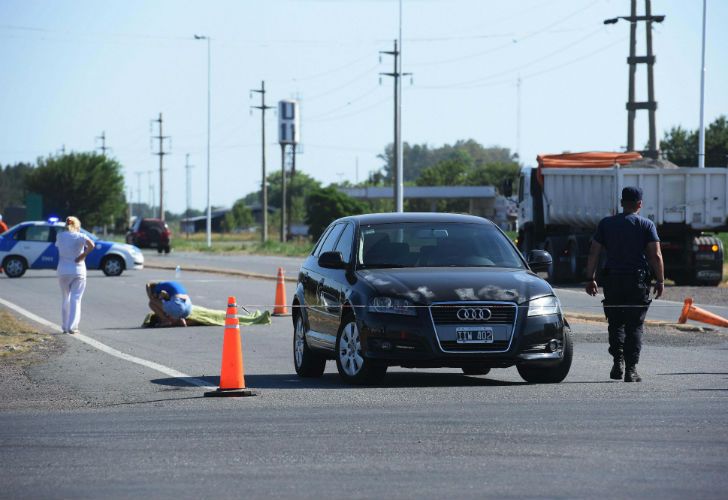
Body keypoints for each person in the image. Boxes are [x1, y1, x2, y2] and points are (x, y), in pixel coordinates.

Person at [585, 186, 665, 383]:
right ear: (640, 204)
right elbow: (655, 255)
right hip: (636, 282)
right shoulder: (646, 225)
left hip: (612, 280)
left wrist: (590, 278)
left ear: (621, 203)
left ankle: (617, 361)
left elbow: (594, 252)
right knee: (634, 325)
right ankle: (631, 369)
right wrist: (660, 280)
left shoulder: (606, 224)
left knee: (615, 323)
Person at [56, 216, 95, 334]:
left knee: (65, 298)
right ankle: (72, 327)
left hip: (63, 270)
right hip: (78, 270)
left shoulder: (60, 236)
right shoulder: (80, 236)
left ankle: (64, 326)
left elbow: (58, 247)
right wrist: (83, 255)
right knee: (76, 298)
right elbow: (92, 245)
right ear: (77, 225)